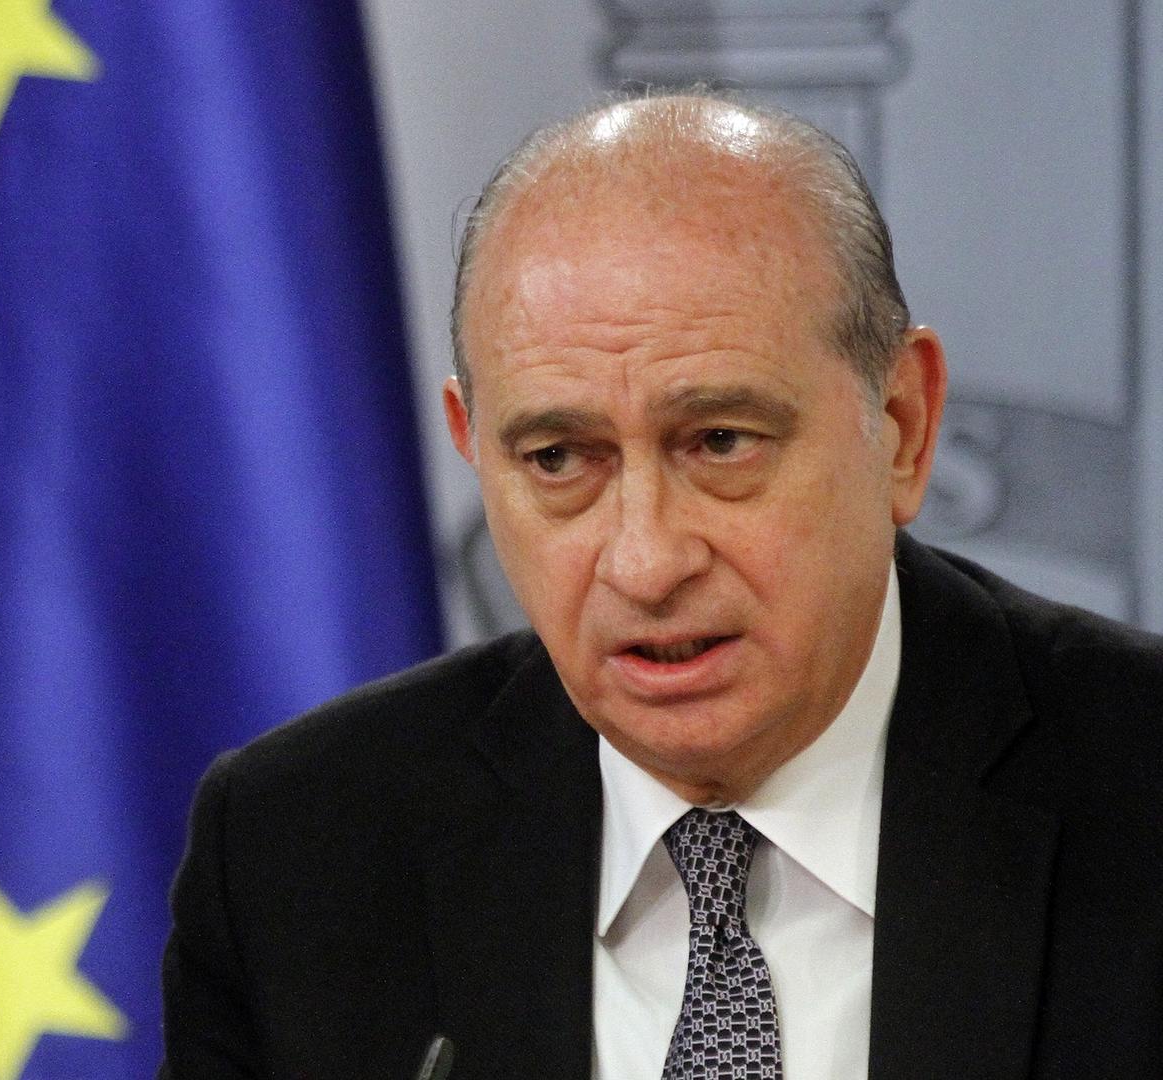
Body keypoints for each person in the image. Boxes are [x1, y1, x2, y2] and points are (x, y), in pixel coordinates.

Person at [159, 91, 1163, 1079]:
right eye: (558, 458)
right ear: (471, 446)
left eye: (720, 442)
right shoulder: (298, 851)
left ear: (901, 424)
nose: (644, 562)